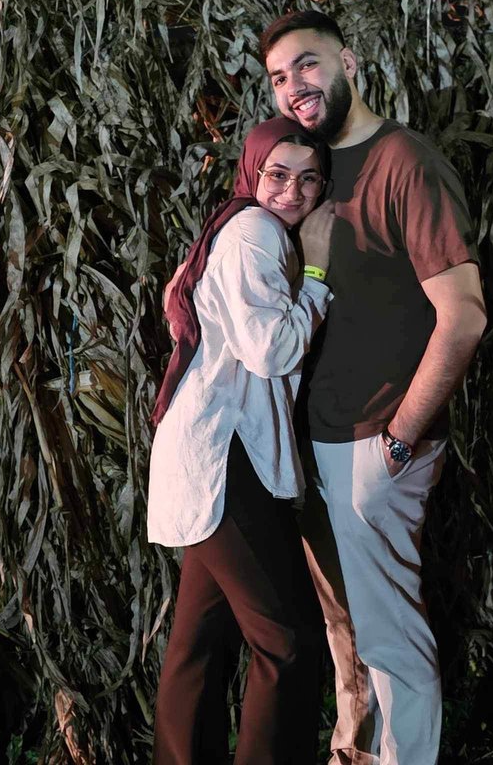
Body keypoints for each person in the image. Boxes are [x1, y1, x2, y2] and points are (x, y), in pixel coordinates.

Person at [260, 10, 488, 765]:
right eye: (279, 77)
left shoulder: (404, 163)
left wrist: (399, 438)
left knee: (390, 632)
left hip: (374, 442)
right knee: (350, 625)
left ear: (349, 61)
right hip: (321, 440)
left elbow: (464, 316)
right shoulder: (312, 169)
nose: (295, 86)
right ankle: (357, 748)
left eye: (308, 64)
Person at [147, 116, 335, 765]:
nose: (292, 191)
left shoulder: (230, 225)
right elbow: (270, 349)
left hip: (209, 448)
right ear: (253, 170)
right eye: (278, 174)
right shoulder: (257, 232)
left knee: (199, 642)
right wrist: (317, 276)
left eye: (309, 179)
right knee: (287, 641)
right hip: (229, 457)